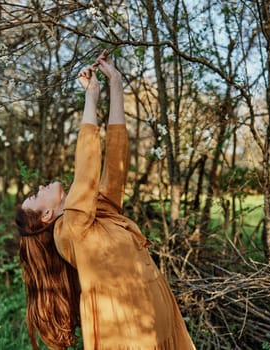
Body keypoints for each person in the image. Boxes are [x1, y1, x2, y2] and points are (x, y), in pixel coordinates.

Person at [15, 51, 196, 350]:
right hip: (127, 335)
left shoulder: (97, 213)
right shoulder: (69, 230)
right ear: (46, 214)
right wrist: (90, 98)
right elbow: (86, 170)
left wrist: (115, 84)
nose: (40, 185)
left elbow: (116, 161)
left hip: (160, 325)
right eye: (35, 195)